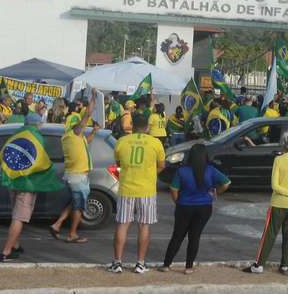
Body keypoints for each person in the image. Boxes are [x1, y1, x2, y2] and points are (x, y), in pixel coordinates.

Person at [0, 112, 63, 261]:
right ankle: (6, 252)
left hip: (13, 181)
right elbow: (41, 161)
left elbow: (3, 154)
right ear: (37, 124)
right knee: (19, 218)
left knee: (15, 215)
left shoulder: (16, 135)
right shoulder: (37, 137)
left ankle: (15, 245)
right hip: (27, 184)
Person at [108, 113, 166, 274]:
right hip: (146, 190)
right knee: (144, 226)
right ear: (147, 127)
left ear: (132, 126)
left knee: (122, 225)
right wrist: (148, 173)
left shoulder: (121, 142)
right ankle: (140, 263)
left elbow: (119, 164)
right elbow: (161, 165)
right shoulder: (155, 143)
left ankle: (117, 262)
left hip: (126, 189)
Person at [245, 132, 288, 274]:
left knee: (270, 234)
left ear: (284, 144)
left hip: (278, 203)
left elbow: (275, 185)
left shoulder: (279, 160)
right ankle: (285, 265)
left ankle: (259, 265)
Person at [160, 144, 230, 274]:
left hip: (184, 206)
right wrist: (216, 192)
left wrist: (178, 202)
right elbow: (226, 183)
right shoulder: (211, 170)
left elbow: (173, 189)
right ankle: (188, 267)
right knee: (195, 236)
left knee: (177, 236)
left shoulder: (182, 171)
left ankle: (166, 264)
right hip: (204, 207)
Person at [49, 92, 99, 243]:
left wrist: (95, 131)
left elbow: (86, 141)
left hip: (75, 176)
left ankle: (57, 225)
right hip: (78, 177)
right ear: (75, 125)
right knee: (78, 207)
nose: (82, 126)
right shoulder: (74, 133)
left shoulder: (71, 137)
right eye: (80, 124)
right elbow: (87, 114)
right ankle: (72, 234)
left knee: (74, 203)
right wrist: (94, 98)